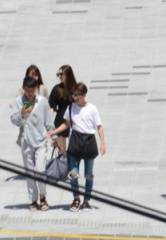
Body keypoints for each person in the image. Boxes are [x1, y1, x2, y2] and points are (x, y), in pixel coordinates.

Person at [61, 83, 105, 211]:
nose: (75, 98)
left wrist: (102, 143)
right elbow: (66, 124)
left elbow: (99, 126)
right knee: (73, 174)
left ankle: (86, 200)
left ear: (84, 95)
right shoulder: (71, 108)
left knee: (89, 175)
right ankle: (76, 198)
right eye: (73, 95)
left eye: (77, 95)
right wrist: (54, 132)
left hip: (89, 142)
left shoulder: (92, 109)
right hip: (75, 142)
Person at [12, 74, 52, 210]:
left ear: (36, 89)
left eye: (32, 90)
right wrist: (22, 114)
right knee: (29, 172)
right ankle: (33, 199)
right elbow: (14, 120)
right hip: (26, 140)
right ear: (23, 88)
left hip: (40, 140)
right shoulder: (18, 102)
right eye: (28, 90)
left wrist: (54, 137)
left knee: (40, 170)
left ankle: (43, 196)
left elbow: (48, 121)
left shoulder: (42, 101)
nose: (30, 93)